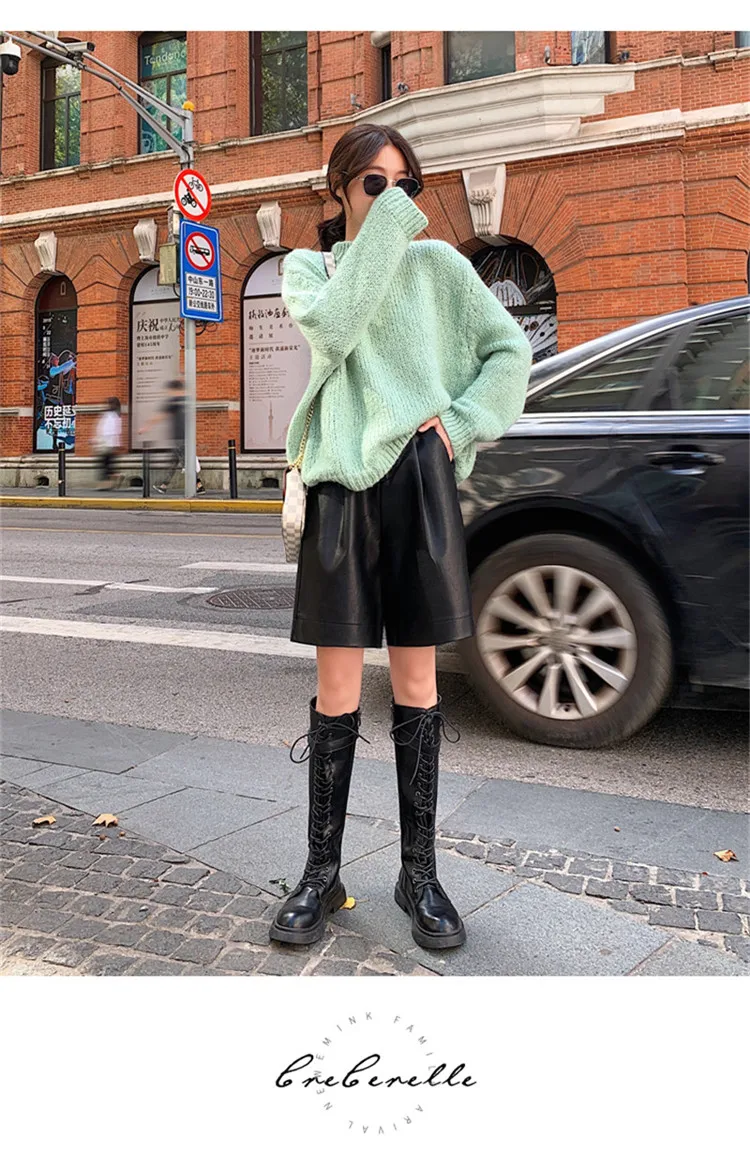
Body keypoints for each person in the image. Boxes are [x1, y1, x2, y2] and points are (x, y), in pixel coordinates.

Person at [269, 122, 533, 951]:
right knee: (338, 690)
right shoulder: (310, 271)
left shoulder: (440, 267)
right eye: (374, 184)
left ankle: (419, 874)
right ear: (340, 189)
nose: (391, 199)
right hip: (340, 487)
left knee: (417, 685)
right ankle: (321, 870)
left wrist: (460, 424)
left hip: (419, 480)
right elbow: (337, 330)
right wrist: (384, 229)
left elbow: (508, 352)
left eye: (404, 186)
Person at [137, 377, 205, 494]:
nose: (168, 392)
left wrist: (146, 427)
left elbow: (160, 416)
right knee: (173, 463)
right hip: (186, 437)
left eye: (169, 390)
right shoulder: (186, 401)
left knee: (186, 463)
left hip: (179, 438)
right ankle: (164, 485)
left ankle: (199, 486)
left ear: (174, 389)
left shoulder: (174, 401)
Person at [94, 397, 122, 490]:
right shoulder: (116, 415)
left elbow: (107, 430)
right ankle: (115, 477)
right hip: (109, 443)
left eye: (107, 403)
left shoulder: (110, 415)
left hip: (106, 443)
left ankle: (107, 483)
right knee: (108, 463)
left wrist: (99, 440)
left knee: (104, 463)